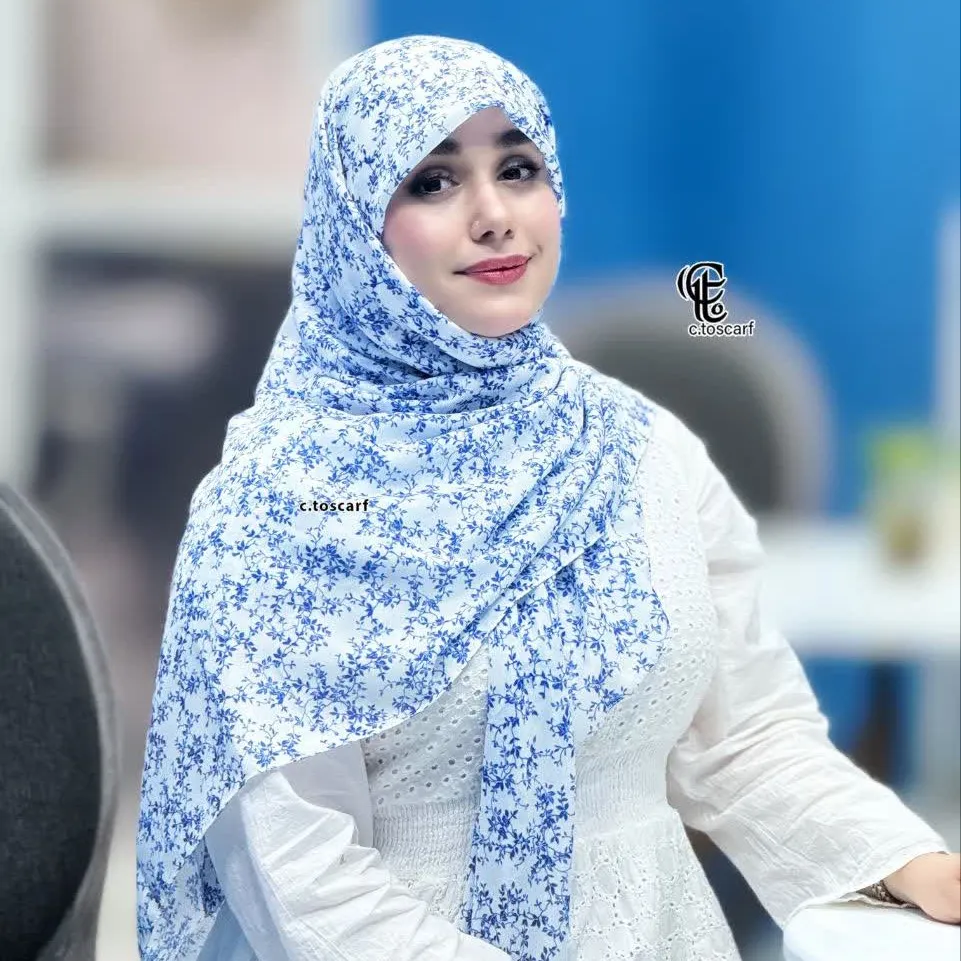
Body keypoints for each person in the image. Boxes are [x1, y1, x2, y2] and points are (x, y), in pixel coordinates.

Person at [135, 34, 960, 961]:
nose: (494, 216)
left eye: (518, 169)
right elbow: (301, 874)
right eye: (432, 181)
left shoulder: (641, 452)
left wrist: (909, 860)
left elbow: (744, 736)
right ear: (352, 226)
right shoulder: (280, 504)